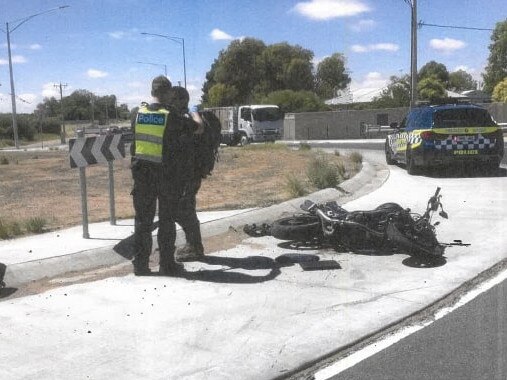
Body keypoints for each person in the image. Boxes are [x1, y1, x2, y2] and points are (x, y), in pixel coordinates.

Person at [130, 76, 195, 275]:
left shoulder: (136, 113)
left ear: (152, 92)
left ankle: (140, 265)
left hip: (142, 176)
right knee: (166, 220)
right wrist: (193, 112)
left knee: (142, 222)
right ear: (168, 93)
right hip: (166, 176)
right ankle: (166, 264)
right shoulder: (172, 116)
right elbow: (196, 128)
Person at [166, 87, 205, 262]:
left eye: (171, 99)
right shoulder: (186, 117)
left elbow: (198, 129)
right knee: (186, 208)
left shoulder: (181, 120)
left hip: (185, 175)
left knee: (182, 210)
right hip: (190, 174)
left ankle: (195, 247)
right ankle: (194, 245)